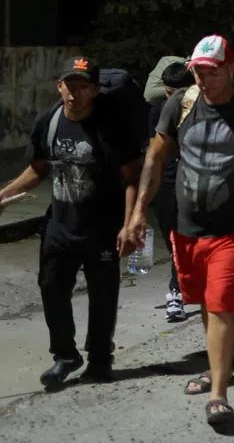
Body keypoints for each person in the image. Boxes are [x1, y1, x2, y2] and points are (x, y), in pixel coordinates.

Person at [128, 35, 234, 427]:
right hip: (187, 227)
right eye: (198, 70)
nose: (202, 78)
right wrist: (137, 213)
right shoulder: (180, 103)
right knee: (204, 300)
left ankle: (219, 394)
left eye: (211, 71)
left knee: (219, 303)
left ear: (230, 69)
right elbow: (155, 156)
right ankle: (219, 366)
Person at [0, 56, 142, 388]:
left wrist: (130, 221)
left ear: (95, 90)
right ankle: (65, 356)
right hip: (60, 226)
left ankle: (100, 359)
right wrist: (4, 195)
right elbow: (38, 168)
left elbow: (132, 176)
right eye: (70, 86)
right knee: (51, 288)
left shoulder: (110, 126)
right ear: (59, 86)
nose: (74, 95)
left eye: (83, 88)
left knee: (102, 294)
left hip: (103, 227)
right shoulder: (47, 121)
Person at [149, 60, 195, 322]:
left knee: (184, 239)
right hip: (166, 184)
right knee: (172, 240)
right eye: (167, 92)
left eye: (175, 93)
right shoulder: (157, 112)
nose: (170, 98)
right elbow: (152, 156)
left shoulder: (204, 111)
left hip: (196, 185)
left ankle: (175, 292)